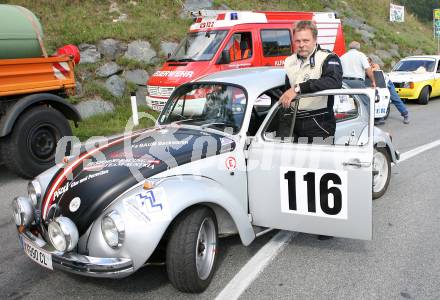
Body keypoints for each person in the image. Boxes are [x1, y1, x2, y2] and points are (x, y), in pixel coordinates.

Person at [279, 20, 343, 143]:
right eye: (297, 41)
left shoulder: (328, 58)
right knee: (290, 161)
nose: (301, 44)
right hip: (292, 120)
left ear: (315, 40)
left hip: (319, 122)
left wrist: (298, 89)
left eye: (306, 40)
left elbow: (334, 81)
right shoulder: (289, 61)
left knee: (318, 161)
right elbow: (285, 90)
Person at [368, 58, 410, 124]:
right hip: (376, 86)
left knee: (395, 99)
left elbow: (377, 67)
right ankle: (379, 117)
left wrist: (369, 70)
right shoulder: (364, 69)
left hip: (387, 84)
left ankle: (405, 114)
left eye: (368, 63)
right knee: (376, 101)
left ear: (371, 63)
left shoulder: (374, 66)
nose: (367, 64)